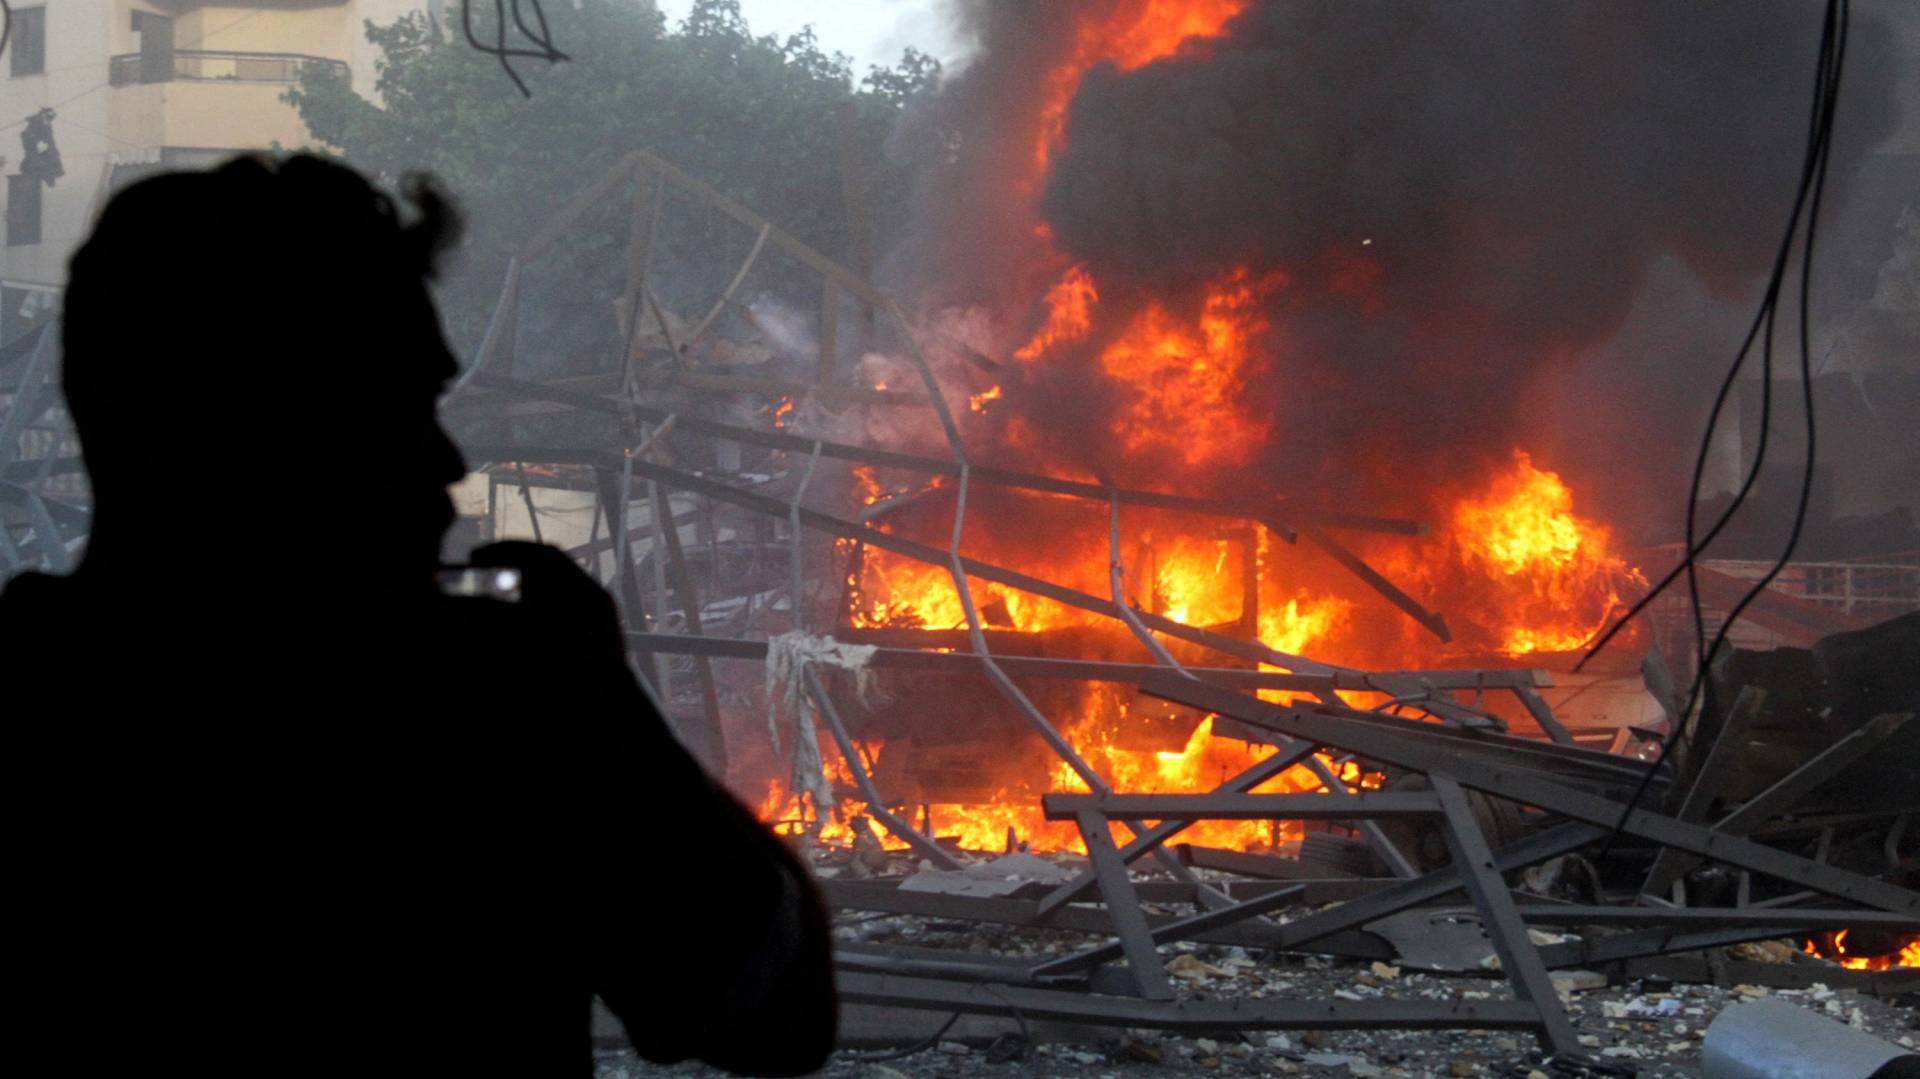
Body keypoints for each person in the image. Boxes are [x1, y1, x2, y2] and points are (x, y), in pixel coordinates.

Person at [0, 154, 835, 1074]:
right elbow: (773, 1017)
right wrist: (592, 703)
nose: (444, 460)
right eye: (394, 407)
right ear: (262, 428)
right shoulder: (468, 720)